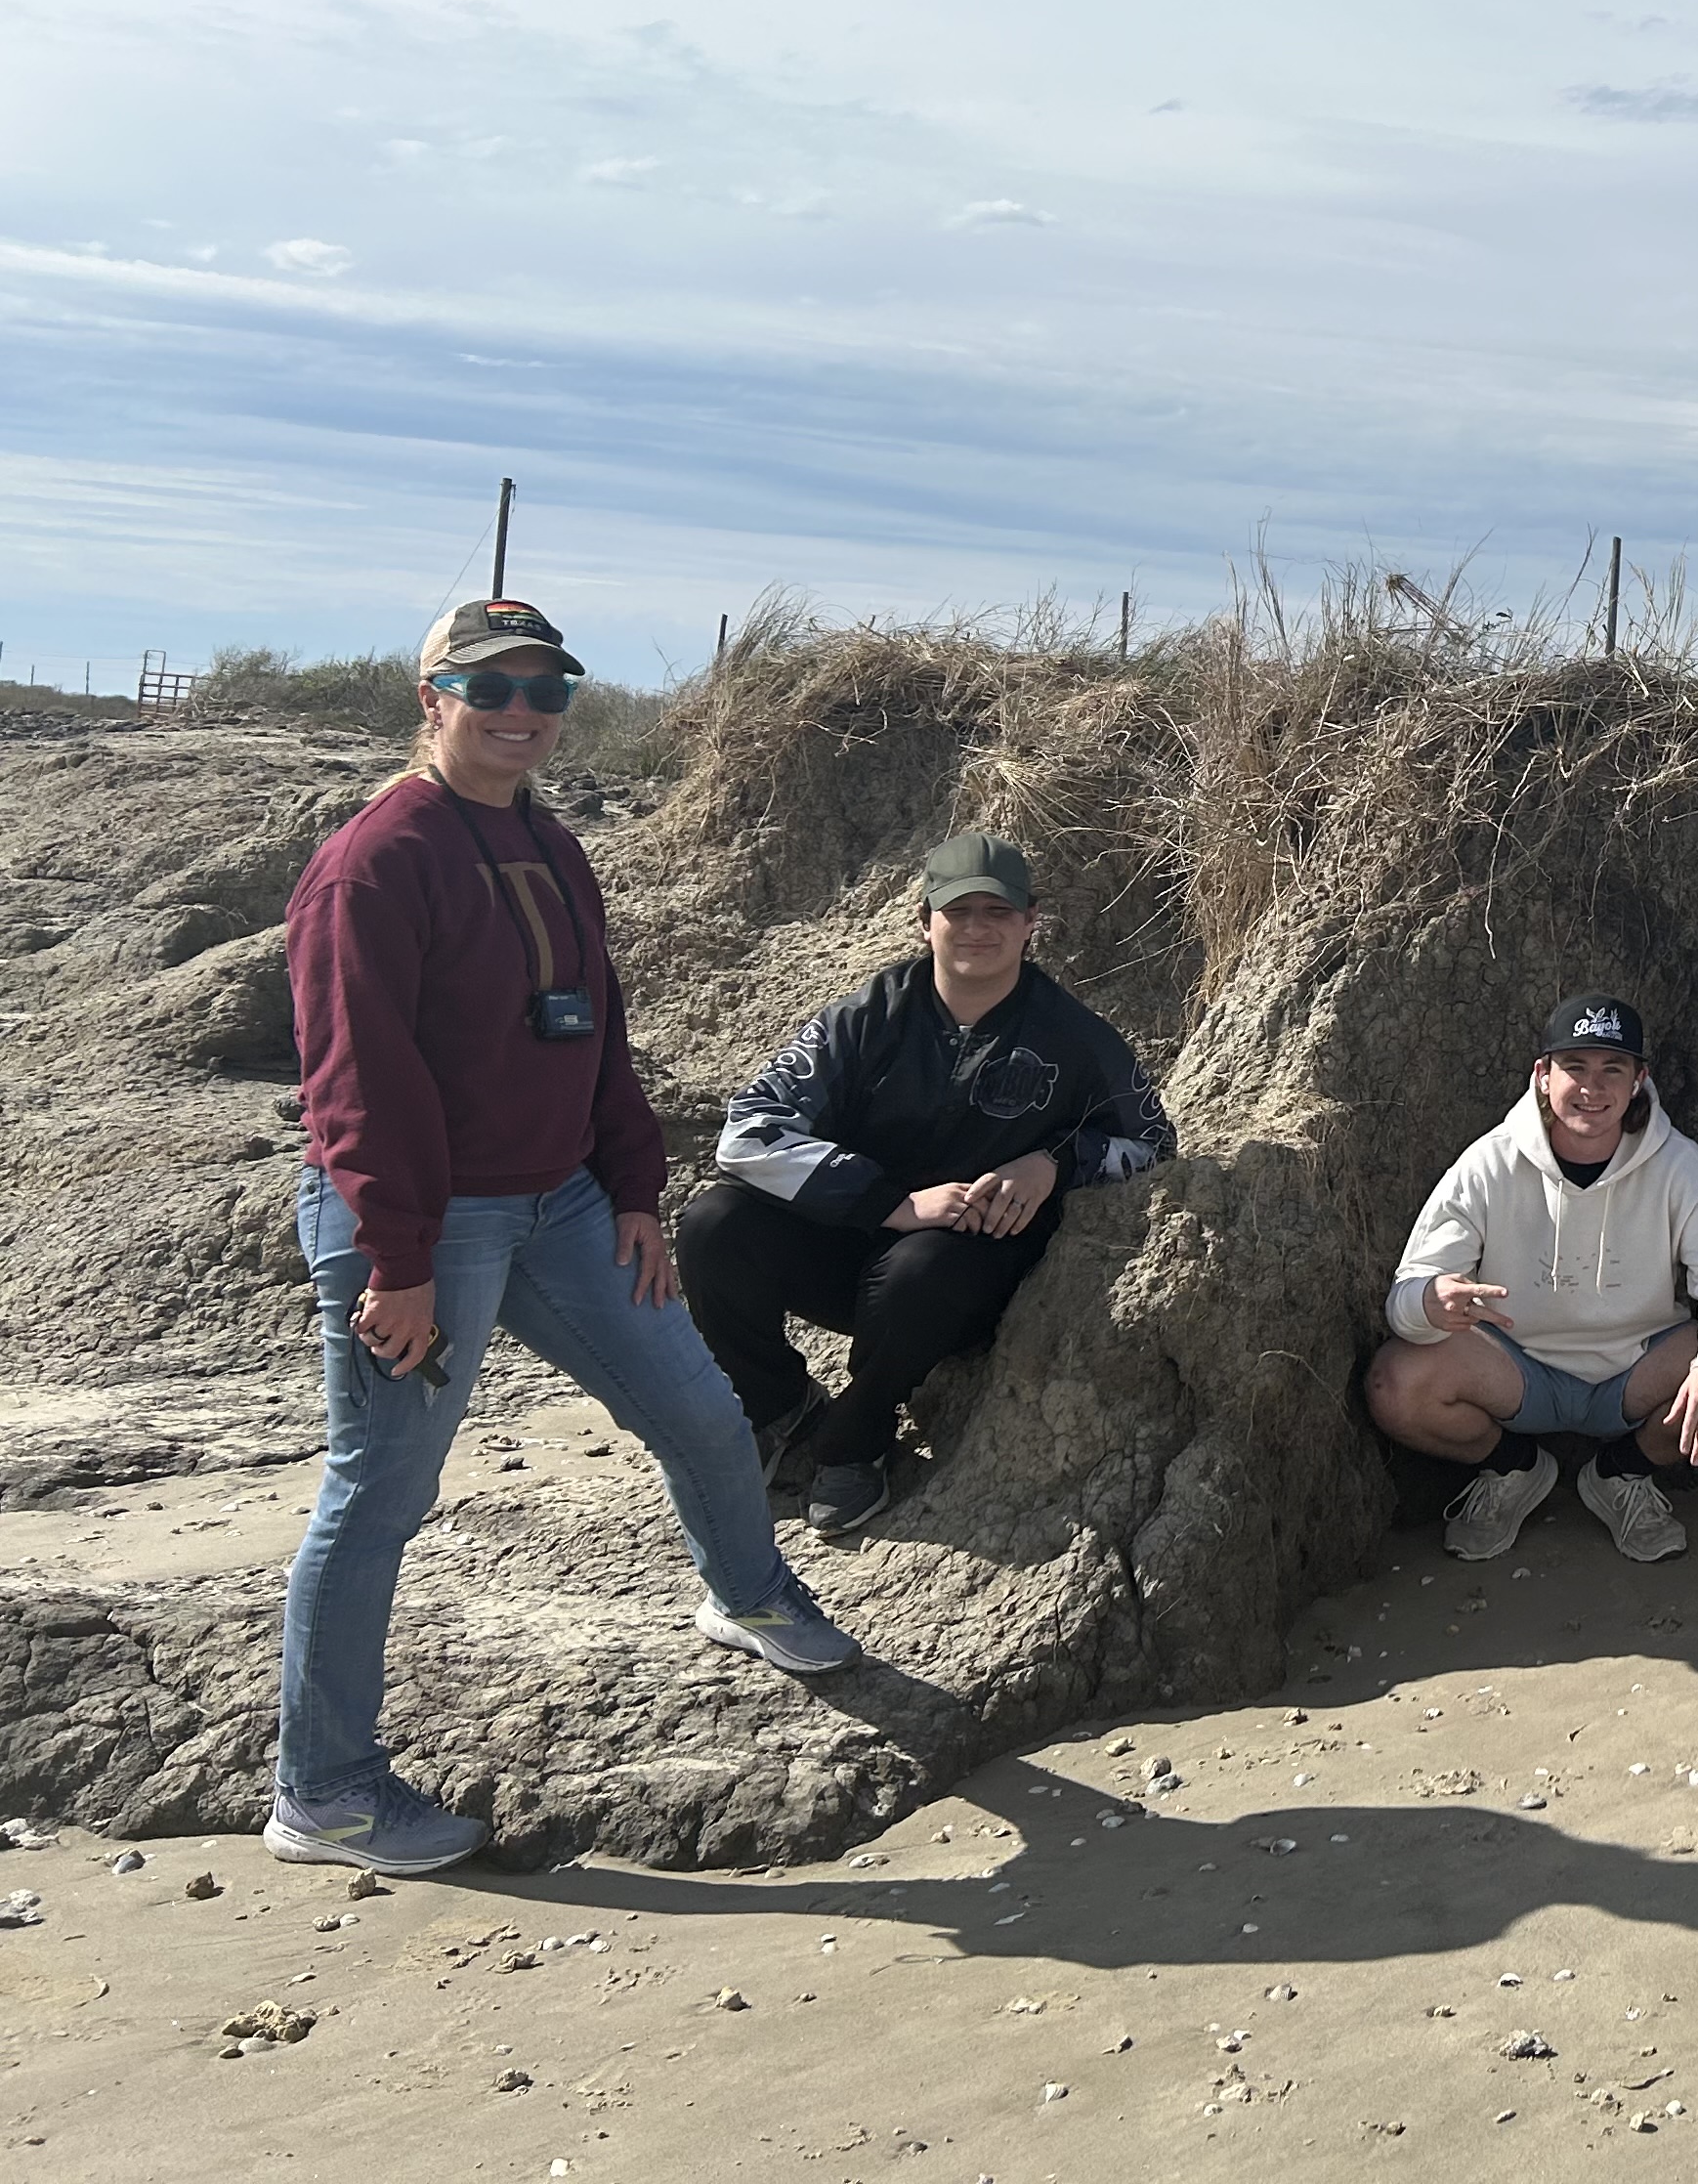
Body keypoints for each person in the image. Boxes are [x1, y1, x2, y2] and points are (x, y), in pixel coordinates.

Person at [271, 597, 857, 1876]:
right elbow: (354, 1079)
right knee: (380, 1494)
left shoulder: (548, 839)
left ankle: (749, 1594)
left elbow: (597, 1028)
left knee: (700, 1409)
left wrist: (634, 1191)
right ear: (432, 699)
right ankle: (323, 1791)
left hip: (566, 1207)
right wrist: (397, 1263)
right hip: (425, 1229)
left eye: (547, 691)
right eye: (490, 689)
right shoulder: (376, 859)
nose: (522, 712)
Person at [680, 832, 1179, 1537]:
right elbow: (747, 1133)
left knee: (920, 1270)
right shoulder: (863, 1021)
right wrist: (887, 1202)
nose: (978, 929)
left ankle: (856, 1443)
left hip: (964, 1274)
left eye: (998, 912)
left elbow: (1155, 1145)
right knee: (712, 1226)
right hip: (857, 1238)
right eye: (958, 911)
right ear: (924, 921)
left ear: (1030, 922)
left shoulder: (1078, 1039)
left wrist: (1056, 1163)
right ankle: (778, 1409)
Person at [1366, 995, 1698, 1563]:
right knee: (1394, 1384)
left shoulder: (1678, 1165)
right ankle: (1512, 1468)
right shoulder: (1489, 1162)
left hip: (1634, 1369)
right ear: (1543, 1074)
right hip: (1516, 1369)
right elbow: (1410, 1291)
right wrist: (1428, 1302)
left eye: (1612, 1069)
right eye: (1575, 1067)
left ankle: (1621, 1474)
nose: (1593, 1087)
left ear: (1639, 1081)